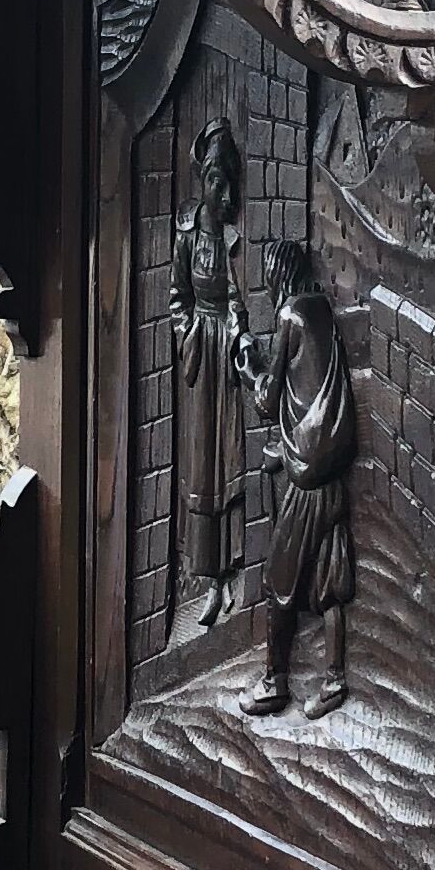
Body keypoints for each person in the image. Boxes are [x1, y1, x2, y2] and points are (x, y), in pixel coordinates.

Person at [239, 239, 356, 717]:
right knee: (330, 576)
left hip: (306, 474)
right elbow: (308, 385)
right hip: (328, 464)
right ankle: (333, 679)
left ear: (278, 275)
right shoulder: (322, 310)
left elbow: (268, 398)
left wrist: (249, 369)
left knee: (279, 579)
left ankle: (275, 681)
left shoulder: (289, 314)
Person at [170, 119, 249, 633]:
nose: (221, 190)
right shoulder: (185, 234)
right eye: (213, 179)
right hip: (201, 352)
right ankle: (207, 579)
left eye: (227, 181)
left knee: (229, 458)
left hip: (227, 354)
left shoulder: (234, 239)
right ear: (201, 179)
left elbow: (239, 295)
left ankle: (234, 572)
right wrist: (190, 333)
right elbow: (177, 296)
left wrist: (239, 332)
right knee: (202, 465)